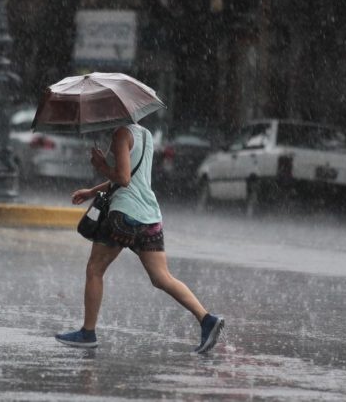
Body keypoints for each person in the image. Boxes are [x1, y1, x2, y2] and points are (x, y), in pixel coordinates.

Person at [55, 122, 224, 353]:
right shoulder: (145, 134)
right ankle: (207, 319)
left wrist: (101, 165)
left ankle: (87, 332)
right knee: (162, 277)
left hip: (124, 216)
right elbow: (134, 179)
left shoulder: (121, 134)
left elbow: (123, 178)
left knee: (95, 269)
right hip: (149, 216)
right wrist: (92, 191)